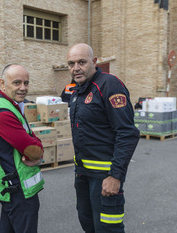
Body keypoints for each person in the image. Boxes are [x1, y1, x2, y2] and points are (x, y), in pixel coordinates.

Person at [67, 43, 140, 233]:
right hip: (83, 176)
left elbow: (127, 133)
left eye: (82, 62)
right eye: (71, 63)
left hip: (105, 178)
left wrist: (116, 176)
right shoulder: (77, 91)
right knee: (88, 224)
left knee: (108, 229)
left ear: (94, 61)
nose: (76, 68)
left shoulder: (109, 85)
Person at [0, 64, 45, 233]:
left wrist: (34, 143)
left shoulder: (9, 105)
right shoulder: (4, 113)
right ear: (2, 83)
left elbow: (29, 140)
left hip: (12, 187)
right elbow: (33, 149)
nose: (23, 88)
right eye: (17, 83)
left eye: (26, 83)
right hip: (18, 190)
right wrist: (38, 148)